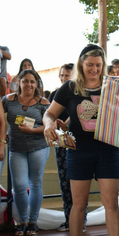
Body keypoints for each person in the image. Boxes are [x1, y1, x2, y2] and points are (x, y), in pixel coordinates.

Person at [43, 44, 119, 236]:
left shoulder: (114, 86)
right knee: (78, 205)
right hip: (78, 151)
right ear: (81, 63)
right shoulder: (69, 88)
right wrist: (48, 124)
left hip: (108, 150)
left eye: (99, 65)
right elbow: (49, 114)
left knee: (111, 203)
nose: (95, 69)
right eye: (90, 65)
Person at [2, 69, 50, 235]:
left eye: (32, 81)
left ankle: (33, 222)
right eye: (25, 81)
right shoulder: (7, 100)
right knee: (19, 186)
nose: (29, 84)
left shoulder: (43, 102)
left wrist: (32, 131)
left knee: (35, 184)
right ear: (19, 83)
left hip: (38, 147)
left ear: (36, 84)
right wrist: (3, 136)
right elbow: (1, 121)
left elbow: (50, 127)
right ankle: (22, 221)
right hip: (16, 149)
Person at [48, 63, 88, 233]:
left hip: (80, 143)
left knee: (80, 185)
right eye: (62, 75)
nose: (64, 78)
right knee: (65, 183)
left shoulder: (81, 93)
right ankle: (68, 220)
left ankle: (82, 222)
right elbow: (50, 115)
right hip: (61, 144)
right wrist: (53, 124)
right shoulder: (54, 95)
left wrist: (68, 122)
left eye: (68, 75)